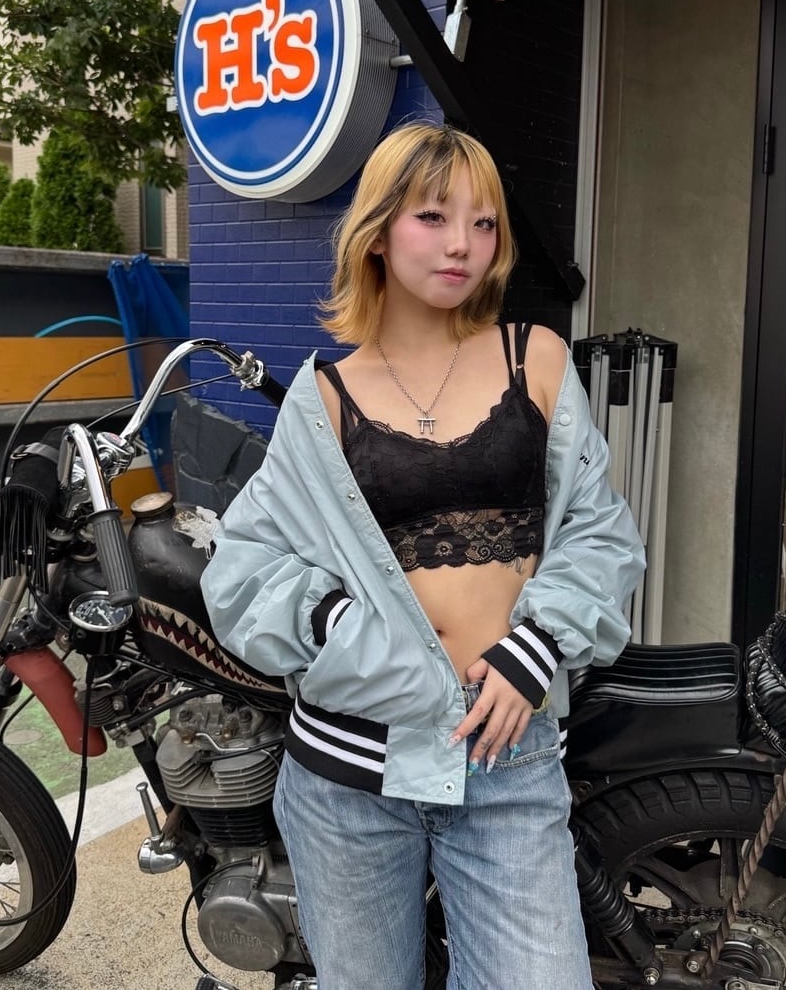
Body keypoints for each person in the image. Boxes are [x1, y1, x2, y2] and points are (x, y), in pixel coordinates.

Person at [201, 122, 645, 990]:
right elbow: (245, 566)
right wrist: (339, 624)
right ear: (377, 231)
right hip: (348, 774)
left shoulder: (533, 358)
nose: (461, 245)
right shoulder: (322, 399)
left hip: (504, 757)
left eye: (483, 223)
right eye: (433, 217)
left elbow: (600, 532)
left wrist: (535, 648)